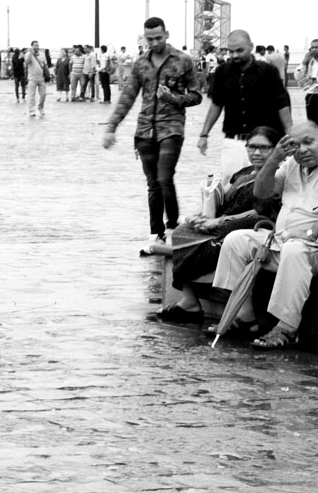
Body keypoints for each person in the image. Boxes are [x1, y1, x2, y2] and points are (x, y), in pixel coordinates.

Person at [212, 122, 318, 349]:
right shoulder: (292, 164)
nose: (302, 150)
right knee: (236, 241)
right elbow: (262, 193)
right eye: (296, 145)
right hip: (285, 242)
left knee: (295, 249)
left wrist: (310, 234)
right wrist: (274, 158)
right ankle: (244, 319)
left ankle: (287, 328)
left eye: (309, 142)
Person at [152, 131, 282, 325]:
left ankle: (239, 311)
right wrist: (201, 215)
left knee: (208, 244)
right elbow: (223, 198)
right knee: (182, 232)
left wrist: (218, 222)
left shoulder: (275, 175)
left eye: (264, 148)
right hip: (223, 221)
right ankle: (189, 301)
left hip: (248, 226)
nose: (256, 152)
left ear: (275, 150)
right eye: (252, 146)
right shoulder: (244, 173)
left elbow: (258, 213)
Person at [101, 17, 206, 252]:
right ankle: (155, 234)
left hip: (172, 128)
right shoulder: (140, 64)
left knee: (164, 177)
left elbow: (197, 95)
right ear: (144, 38)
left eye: (159, 37)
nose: (155, 42)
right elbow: (128, 96)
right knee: (153, 184)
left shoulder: (183, 61)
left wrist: (174, 99)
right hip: (145, 130)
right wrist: (111, 127)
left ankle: (172, 228)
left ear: (166, 34)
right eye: (150, 39)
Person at [197, 30, 294, 179]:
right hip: (234, 143)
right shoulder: (222, 72)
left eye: (240, 50)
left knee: (267, 189)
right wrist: (204, 134)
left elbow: (283, 105)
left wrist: (290, 136)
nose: (235, 55)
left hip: (265, 144)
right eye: (231, 51)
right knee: (230, 189)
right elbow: (216, 105)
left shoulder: (268, 72)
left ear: (251, 47)